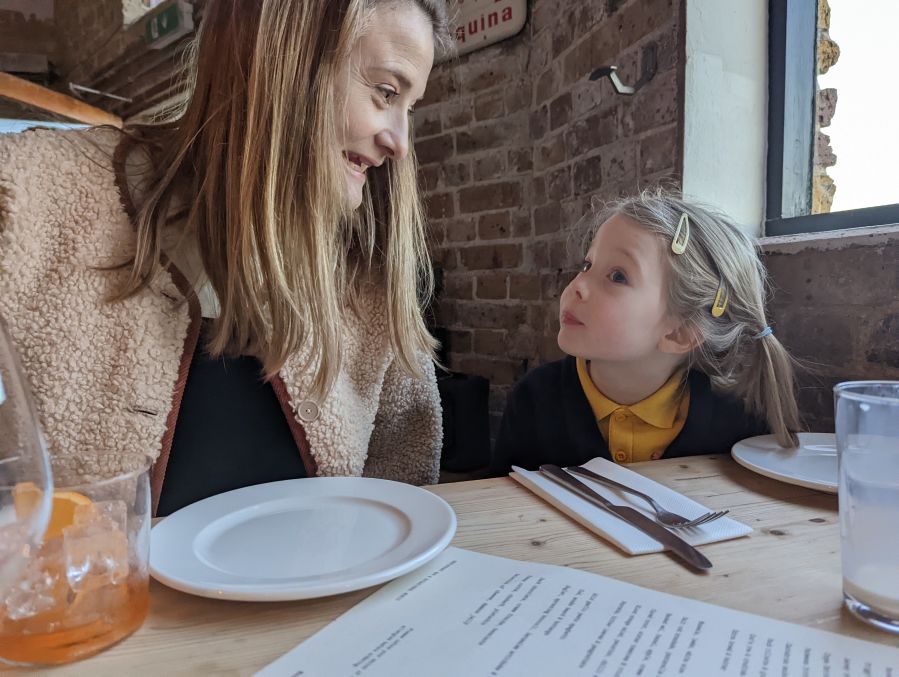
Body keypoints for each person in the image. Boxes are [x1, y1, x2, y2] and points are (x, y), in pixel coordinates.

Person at [0, 0, 454, 515]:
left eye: (408, 108)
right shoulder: (32, 196)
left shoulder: (370, 264)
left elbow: (406, 492)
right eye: (385, 92)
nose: (400, 142)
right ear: (284, 58)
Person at [491, 190, 801, 475]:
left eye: (617, 276)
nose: (577, 286)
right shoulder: (535, 399)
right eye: (587, 265)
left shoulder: (736, 420)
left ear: (680, 333)